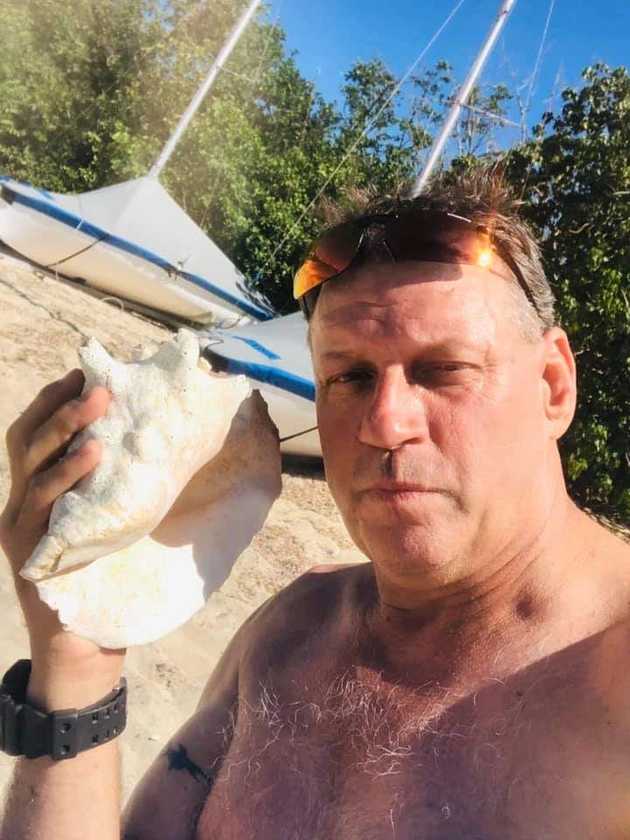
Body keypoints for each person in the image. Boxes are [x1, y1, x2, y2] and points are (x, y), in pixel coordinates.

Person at [2, 166, 630, 840]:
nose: (384, 423)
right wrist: (74, 666)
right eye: (350, 376)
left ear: (553, 386)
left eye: (443, 369)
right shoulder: (291, 632)